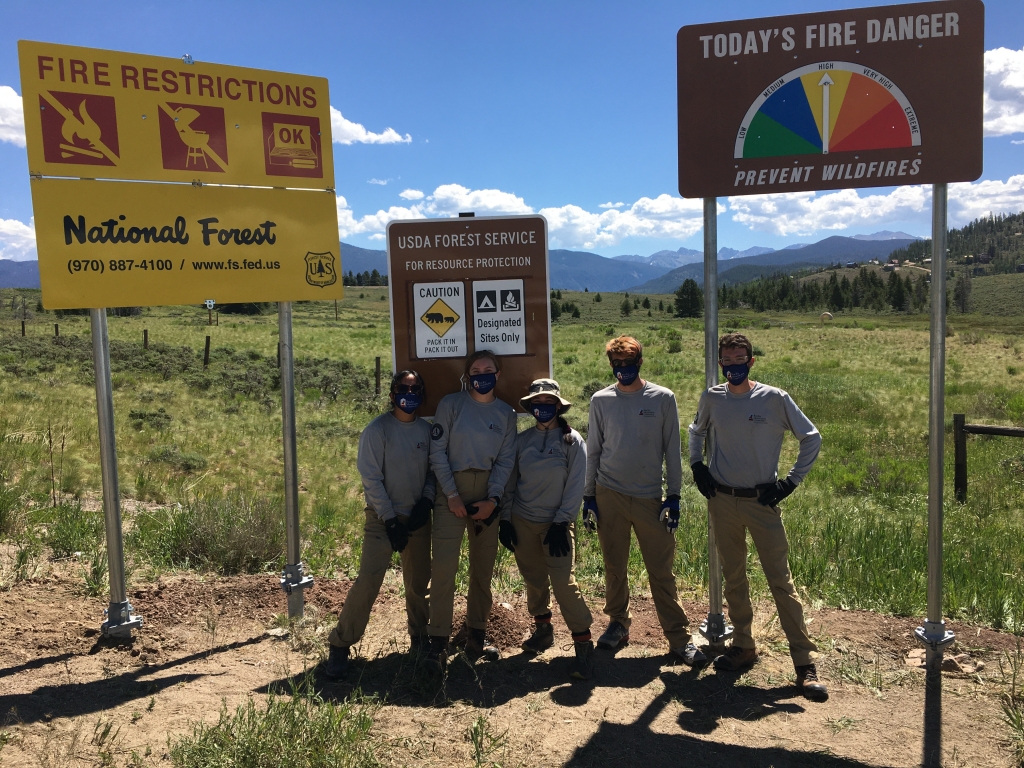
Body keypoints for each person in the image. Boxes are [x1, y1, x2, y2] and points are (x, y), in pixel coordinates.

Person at [688, 332, 827, 702]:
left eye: (740, 359)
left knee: (780, 581)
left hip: (762, 502)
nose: (733, 366)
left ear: (751, 361)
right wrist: (697, 465)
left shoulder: (774, 398)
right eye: (727, 361)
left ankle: (804, 663)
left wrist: (790, 483)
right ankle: (744, 647)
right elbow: (695, 430)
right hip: (721, 499)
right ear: (721, 364)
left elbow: (811, 437)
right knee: (733, 578)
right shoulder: (712, 398)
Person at [583, 335, 705, 666]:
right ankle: (618, 624)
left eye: (628, 363)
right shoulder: (601, 400)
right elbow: (593, 450)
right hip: (609, 493)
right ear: (611, 365)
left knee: (660, 570)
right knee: (614, 565)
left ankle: (679, 638)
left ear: (640, 362)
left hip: (652, 496)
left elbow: (672, 451)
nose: (622, 369)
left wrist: (675, 495)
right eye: (616, 364)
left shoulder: (663, 398)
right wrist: (589, 496)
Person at [322, 370, 435, 678]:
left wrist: (425, 502)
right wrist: (389, 520)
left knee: (418, 584)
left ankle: (420, 639)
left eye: (415, 388)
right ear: (392, 393)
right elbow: (371, 478)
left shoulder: (426, 432)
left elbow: (433, 473)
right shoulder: (378, 430)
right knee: (368, 582)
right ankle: (341, 644)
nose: (409, 393)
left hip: (417, 521)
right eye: (403, 388)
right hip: (382, 521)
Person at [426, 350, 518, 666]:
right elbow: (437, 452)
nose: (482, 374)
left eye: (488, 369)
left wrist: (492, 500)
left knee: (483, 568)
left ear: (498, 374)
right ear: (467, 374)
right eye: (476, 369)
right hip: (450, 491)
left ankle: (476, 636)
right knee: (444, 569)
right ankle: (437, 640)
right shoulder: (451, 405)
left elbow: (506, 461)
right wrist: (451, 494)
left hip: (487, 493)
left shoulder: (506, 414)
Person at [498, 378, 594, 680]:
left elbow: (576, 485)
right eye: (536, 404)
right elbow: (511, 482)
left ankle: (583, 645)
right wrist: (505, 518)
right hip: (523, 520)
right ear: (531, 407)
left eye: (547, 404)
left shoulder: (572, 441)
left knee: (564, 584)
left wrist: (562, 521)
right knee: (533, 578)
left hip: (558, 525)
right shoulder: (522, 441)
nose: (542, 409)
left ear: (557, 406)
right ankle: (543, 631)